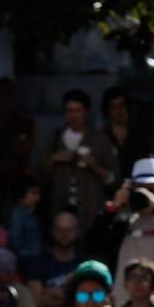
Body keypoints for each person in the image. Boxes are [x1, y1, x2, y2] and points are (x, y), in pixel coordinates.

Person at [43, 89, 118, 221]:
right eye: (69, 111)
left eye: (78, 111)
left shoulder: (100, 140)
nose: (74, 116)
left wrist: (93, 166)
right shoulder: (55, 138)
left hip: (90, 209)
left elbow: (114, 178)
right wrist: (53, 159)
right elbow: (41, 175)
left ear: (87, 112)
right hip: (60, 208)